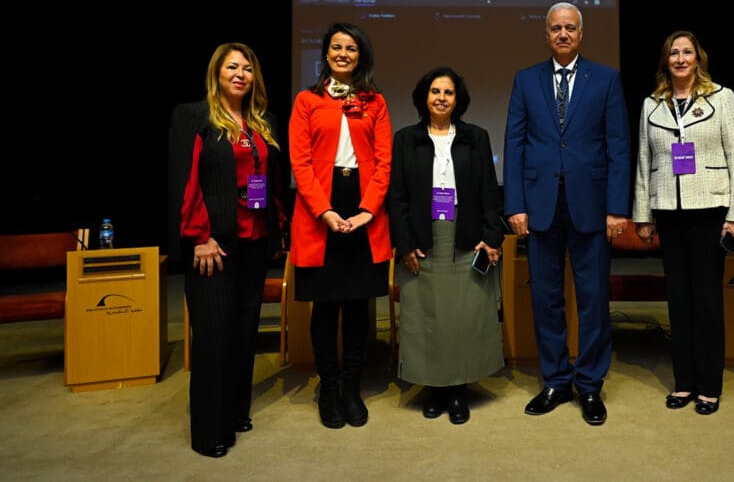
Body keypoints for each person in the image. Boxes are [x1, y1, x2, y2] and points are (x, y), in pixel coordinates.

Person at [503, 1, 631, 426]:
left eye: (570, 28)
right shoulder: (525, 80)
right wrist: (515, 205)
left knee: (594, 300)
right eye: (556, 28)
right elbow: (514, 145)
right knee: (546, 299)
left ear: (581, 34)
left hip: (591, 205)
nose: (563, 34)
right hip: (540, 206)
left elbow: (618, 146)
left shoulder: (606, 80)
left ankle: (590, 384)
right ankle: (556, 380)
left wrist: (617, 207)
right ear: (546, 34)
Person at [168, 42, 288, 458]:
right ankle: (208, 430)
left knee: (243, 332)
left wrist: (277, 229)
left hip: (254, 243)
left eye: (247, 68)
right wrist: (199, 237)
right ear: (216, 74)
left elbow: (271, 181)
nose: (240, 74)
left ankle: (235, 411)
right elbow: (184, 181)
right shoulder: (195, 116)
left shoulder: (263, 122)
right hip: (214, 246)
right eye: (232, 67)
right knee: (213, 336)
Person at [632, 30, 734, 416]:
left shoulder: (722, 97)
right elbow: (644, 162)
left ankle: (709, 386)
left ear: (698, 58)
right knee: (678, 300)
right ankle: (684, 382)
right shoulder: (652, 104)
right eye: (674, 53)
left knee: (707, 301)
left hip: (710, 210)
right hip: (668, 212)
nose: (681, 59)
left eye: (687, 52)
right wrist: (643, 215)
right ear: (666, 61)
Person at [289, 22, 393, 429]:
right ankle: (329, 388)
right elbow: (300, 163)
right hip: (321, 210)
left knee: (356, 305)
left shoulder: (375, 101)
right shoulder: (306, 100)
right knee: (325, 304)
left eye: (351, 48)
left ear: (360, 55)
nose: (343, 54)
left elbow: (384, 162)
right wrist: (325, 211)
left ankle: (352, 387)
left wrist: (368, 210)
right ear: (326, 53)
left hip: (363, 207)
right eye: (336, 47)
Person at [388, 66, 506, 425]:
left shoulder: (476, 137)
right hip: (423, 238)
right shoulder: (406, 139)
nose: (441, 98)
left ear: (458, 100)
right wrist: (404, 244)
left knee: (464, 315)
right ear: (424, 97)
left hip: (466, 233)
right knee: (427, 315)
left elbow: (489, 190)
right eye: (435, 91)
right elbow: (397, 197)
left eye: (448, 92)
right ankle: (434, 387)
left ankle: (457, 388)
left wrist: (492, 236)